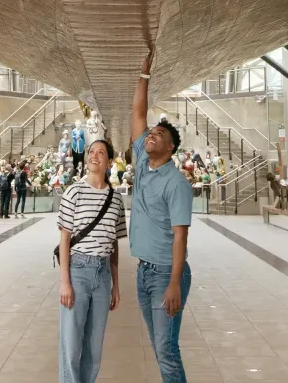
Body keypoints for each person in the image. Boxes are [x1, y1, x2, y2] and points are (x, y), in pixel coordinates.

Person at [130, 50, 194, 383]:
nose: (150, 135)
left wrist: (173, 284)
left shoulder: (176, 183)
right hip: (144, 272)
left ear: (169, 148)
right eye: (150, 133)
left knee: (166, 349)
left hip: (166, 275)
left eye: (158, 135)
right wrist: (144, 75)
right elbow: (138, 114)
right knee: (160, 348)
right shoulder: (142, 162)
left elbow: (181, 236)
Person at [58, 138, 126, 383]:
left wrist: (115, 285)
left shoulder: (116, 199)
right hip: (78, 271)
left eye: (101, 152)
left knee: (94, 348)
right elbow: (65, 238)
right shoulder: (74, 191)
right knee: (72, 344)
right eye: (91, 152)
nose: (94, 156)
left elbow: (114, 243)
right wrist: (65, 282)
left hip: (103, 274)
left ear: (109, 161)